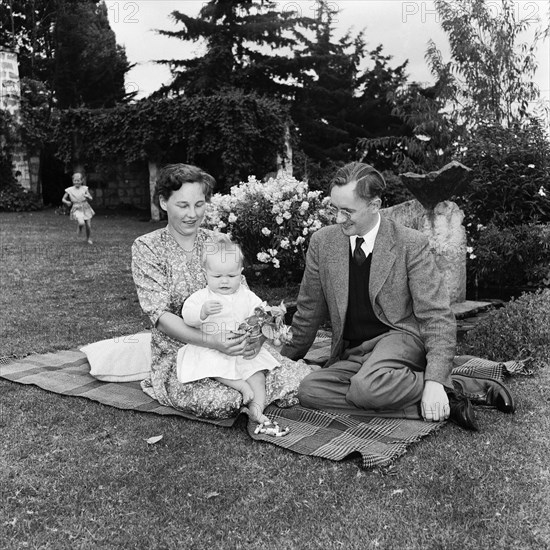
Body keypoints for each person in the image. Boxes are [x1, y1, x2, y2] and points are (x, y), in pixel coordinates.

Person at [281, 162, 479, 430]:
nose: (338, 219)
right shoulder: (322, 243)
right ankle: (439, 399)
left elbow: (436, 316)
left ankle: (436, 385)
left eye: (347, 211)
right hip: (353, 353)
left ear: (374, 205)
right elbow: (308, 311)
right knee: (309, 390)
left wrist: (435, 378)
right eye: (334, 209)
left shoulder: (410, 243)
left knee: (365, 388)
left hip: (398, 339)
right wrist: (283, 360)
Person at [131, 163, 311, 421]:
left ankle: (257, 395)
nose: (192, 214)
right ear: (163, 202)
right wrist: (213, 342)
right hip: (184, 352)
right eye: (182, 205)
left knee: (301, 381)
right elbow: (159, 315)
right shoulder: (147, 248)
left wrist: (256, 340)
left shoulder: (217, 241)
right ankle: (247, 395)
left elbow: (248, 301)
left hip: (235, 345)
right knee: (225, 401)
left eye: (200, 204)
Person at [176, 235, 289, 432]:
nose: (225, 281)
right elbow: (187, 316)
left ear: (241, 273)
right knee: (210, 364)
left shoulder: (246, 295)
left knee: (257, 372)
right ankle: (239, 385)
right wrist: (201, 312)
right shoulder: (202, 297)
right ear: (205, 274)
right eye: (217, 277)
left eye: (231, 276)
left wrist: (268, 322)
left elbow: (260, 312)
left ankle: (257, 408)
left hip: (241, 347)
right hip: (213, 347)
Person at [62, 172, 95, 244]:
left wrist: (88, 197)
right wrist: (67, 202)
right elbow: (63, 199)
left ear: (82, 181)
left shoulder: (85, 189)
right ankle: (80, 228)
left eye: (78, 180)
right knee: (81, 222)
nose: (77, 182)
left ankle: (88, 238)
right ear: (73, 181)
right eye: (75, 181)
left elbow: (91, 198)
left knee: (88, 226)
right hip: (76, 208)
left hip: (86, 207)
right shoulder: (69, 190)